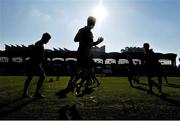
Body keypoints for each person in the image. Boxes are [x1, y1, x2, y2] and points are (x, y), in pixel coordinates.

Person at [22, 33, 51, 98]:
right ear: (45, 38)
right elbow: (33, 54)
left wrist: (42, 59)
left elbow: (38, 55)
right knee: (42, 77)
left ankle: (25, 93)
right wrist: (38, 62)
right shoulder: (39, 44)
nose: (48, 41)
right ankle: (36, 93)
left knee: (30, 77)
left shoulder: (39, 44)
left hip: (35, 63)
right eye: (48, 39)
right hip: (34, 63)